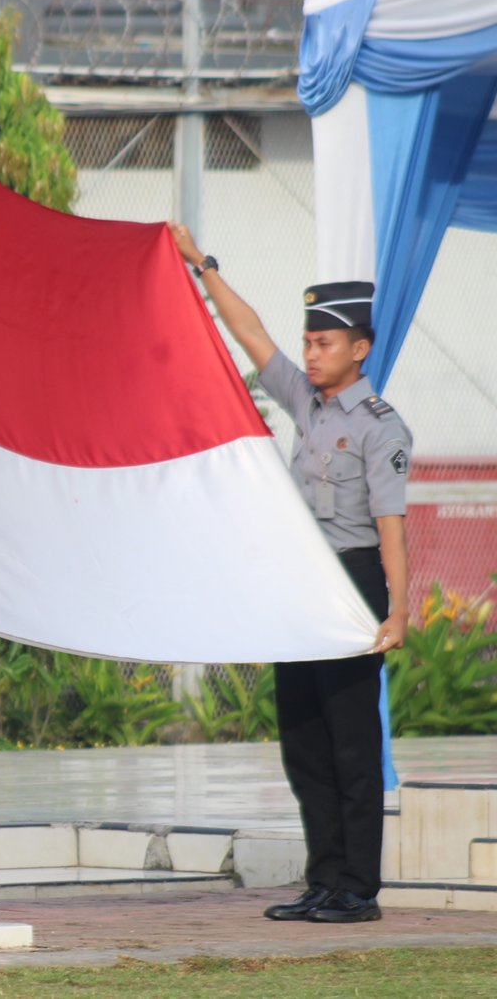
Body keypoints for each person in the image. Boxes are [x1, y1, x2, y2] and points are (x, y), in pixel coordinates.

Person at [171, 224, 409, 926]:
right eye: (308, 342)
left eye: (324, 342)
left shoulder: (379, 426)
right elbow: (251, 334)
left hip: (353, 584)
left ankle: (358, 890)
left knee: (351, 746)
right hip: (301, 585)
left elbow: (391, 525)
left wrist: (395, 612)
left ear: (358, 349)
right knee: (304, 743)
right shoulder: (304, 401)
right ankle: (323, 880)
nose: (310, 352)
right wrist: (203, 266)